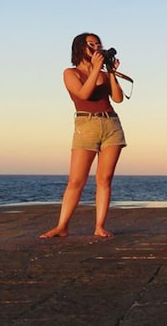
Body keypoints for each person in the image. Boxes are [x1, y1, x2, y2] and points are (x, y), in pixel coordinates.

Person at [40, 32, 126, 238]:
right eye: (91, 45)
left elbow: (118, 98)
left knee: (104, 179)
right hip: (86, 124)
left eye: (98, 44)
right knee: (76, 180)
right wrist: (96, 69)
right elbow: (83, 94)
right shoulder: (71, 73)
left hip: (111, 124)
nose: (96, 48)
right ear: (80, 47)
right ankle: (62, 226)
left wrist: (111, 73)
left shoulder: (103, 74)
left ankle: (99, 226)